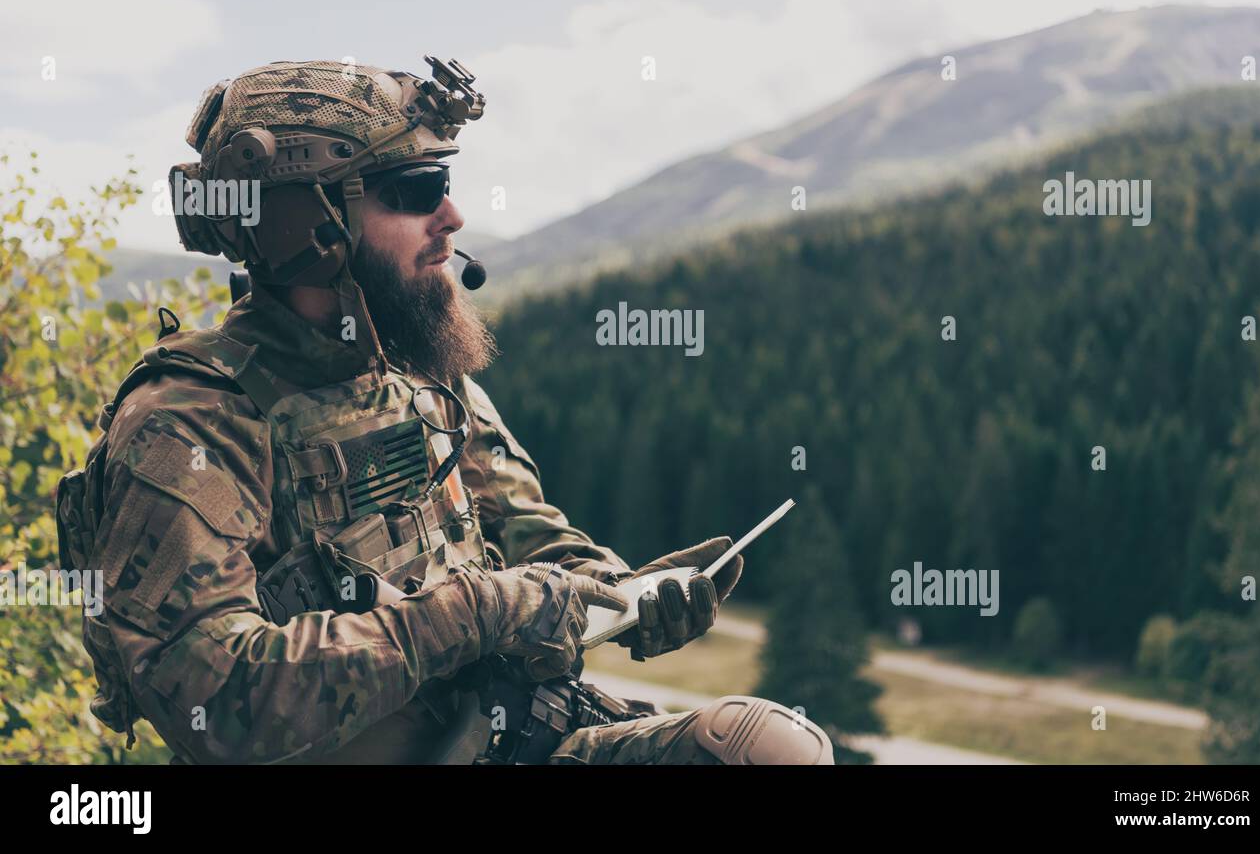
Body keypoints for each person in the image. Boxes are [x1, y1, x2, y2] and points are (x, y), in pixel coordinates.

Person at [58, 56, 833, 765]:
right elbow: (212, 697)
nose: (453, 215)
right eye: (416, 190)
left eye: (445, 182)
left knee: (767, 749)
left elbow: (534, 537)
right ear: (311, 224)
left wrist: (620, 592)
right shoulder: (191, 420)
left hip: (518, 734)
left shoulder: (424, 374)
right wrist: (479, 611)